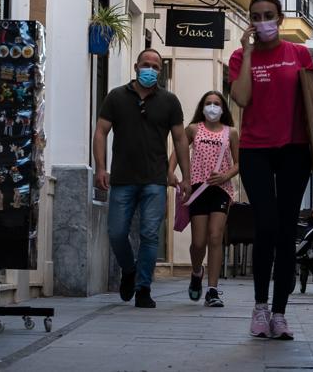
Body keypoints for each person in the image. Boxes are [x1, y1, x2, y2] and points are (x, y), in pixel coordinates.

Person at [230, 0, 313, 340]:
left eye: (269, 15)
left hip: (294, 149)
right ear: (250, 21)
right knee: (267, 226)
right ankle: (259, 307)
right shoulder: (237, 57)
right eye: (257, 16)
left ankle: (279, 313)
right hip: (255, 150)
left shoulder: (298, 54)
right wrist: (247, 53)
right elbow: (242, 98)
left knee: (287, 229)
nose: (263, 22)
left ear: (280, 19)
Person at [93, 48, 191, 309]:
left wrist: (186, 176)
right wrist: (100, 168)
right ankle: (129, 269)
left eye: (156, 66)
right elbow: (101, 132)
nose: (150, 69)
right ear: (136, 67)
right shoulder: (116, 97)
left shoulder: (169, 101)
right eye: (146, 64)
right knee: (116, 233)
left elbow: (180, 139)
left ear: (161, 71)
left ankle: (143, 287)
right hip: (122, 178)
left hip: (155, 181)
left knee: (149, 235)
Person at [168, 91, 240, 307]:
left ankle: (213, 290)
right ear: (202, 106)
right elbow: (178, 149)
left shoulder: (232, 133)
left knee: (215, 237)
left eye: (216, 103)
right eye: (208, 103)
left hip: (221, 189)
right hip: (197, 188)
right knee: (198, 241)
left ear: (223, 108)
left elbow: (238, 162)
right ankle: (197, 271)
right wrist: (171, 172)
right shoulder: (193, 129)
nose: (212, 107)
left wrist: (226, 175)